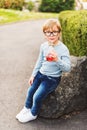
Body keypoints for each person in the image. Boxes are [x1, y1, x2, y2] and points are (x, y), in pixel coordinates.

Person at [16, 19, 71, 123]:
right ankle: (27, 108)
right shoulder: (43, 46)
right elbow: (39, 61)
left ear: (59, 33)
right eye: (48, 32)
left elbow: (67, 68)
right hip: (41, 74)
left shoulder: (63, 49)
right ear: (45, 34)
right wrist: (33, 75)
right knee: (30, 91)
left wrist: (57, 60)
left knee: (37, 96)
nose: (51, 35)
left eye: (54, 32)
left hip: (52, 79)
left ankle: (33, 113)